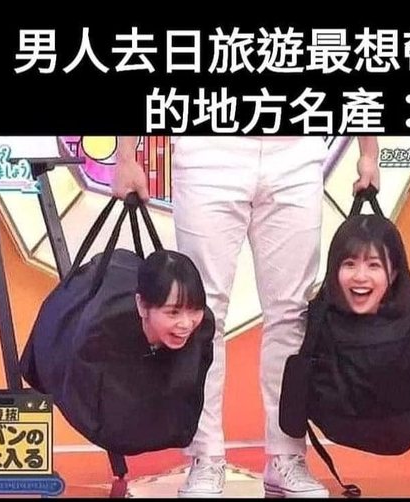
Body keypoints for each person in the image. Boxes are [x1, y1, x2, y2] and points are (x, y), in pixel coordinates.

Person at [113, 136, 380, 498]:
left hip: (295, 153)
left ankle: (287, 455)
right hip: (209, 150)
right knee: (202, 315)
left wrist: (369, 152)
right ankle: (205, 456)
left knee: (292, 314)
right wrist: (125, 155)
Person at [135, 249, 208, 351]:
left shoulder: (205, 328)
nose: (186, 324)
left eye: (195, 309)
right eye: (173, 312)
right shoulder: (114, 335)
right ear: (142, 305)